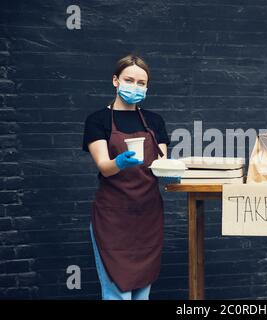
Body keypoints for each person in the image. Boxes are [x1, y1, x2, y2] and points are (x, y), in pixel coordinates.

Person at [82, 54, 172, 300]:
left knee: (143, 291)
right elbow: (103, 166)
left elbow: (160, 164)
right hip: (113, 217)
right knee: (116, 294)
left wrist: (172, 169)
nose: (135, 86)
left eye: (141, 83)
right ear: (115, 80)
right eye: (129, 80)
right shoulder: (97, 120)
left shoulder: (154, 121)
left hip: (148, 216)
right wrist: (120, 162)